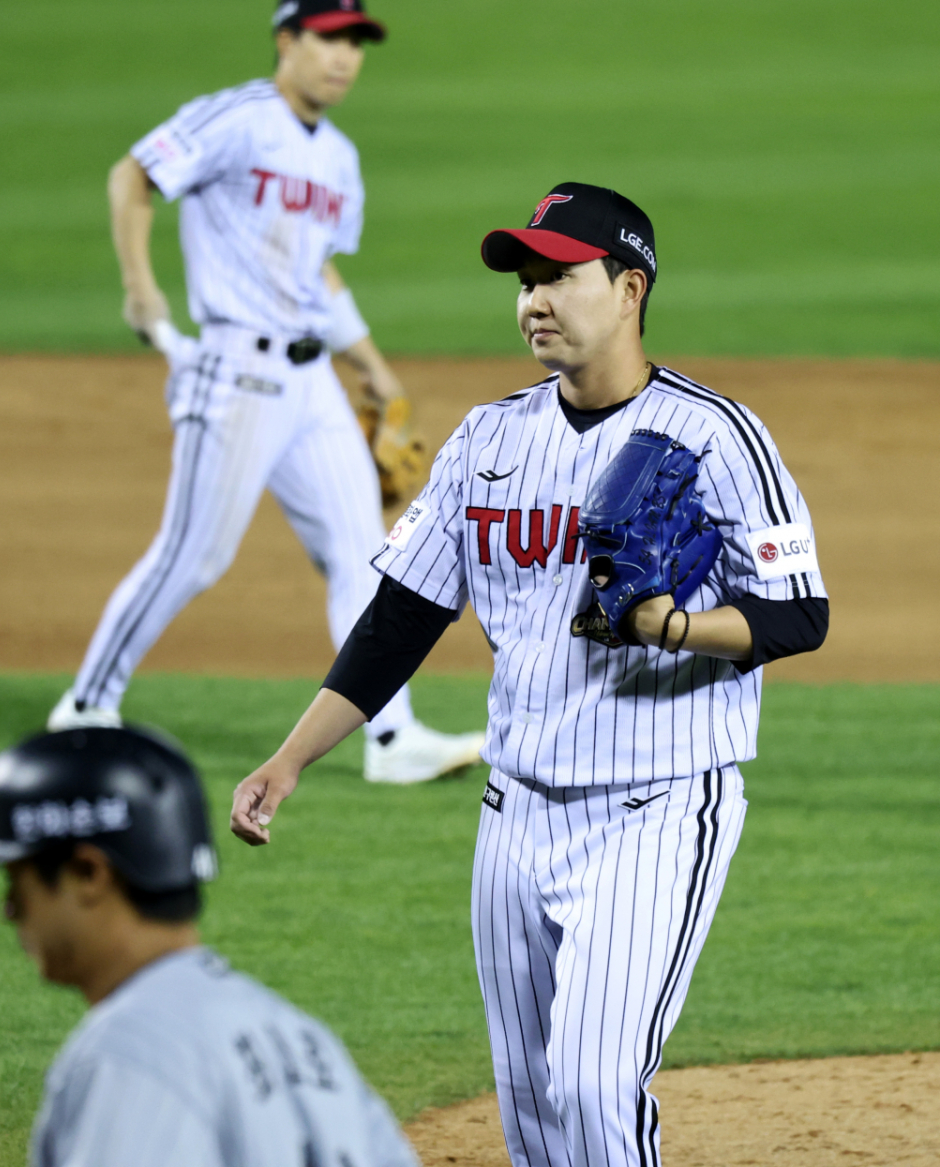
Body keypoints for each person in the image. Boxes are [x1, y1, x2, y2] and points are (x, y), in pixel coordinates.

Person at [230, 183, 829, 1166]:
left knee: (592, 1087)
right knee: (532, 1112)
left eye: (559, 276)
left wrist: (674, 625)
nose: (534, 300)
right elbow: (401, 619)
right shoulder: (488, 438)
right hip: (513, 814)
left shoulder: (719, 436)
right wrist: (290, 760)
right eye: (524, 281)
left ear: (630, 289)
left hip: (656, 808)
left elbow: (800, 612)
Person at [46, 0, 484, 785]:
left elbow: (317, 270)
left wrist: (371, 365)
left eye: (356, 43)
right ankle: (85, 706)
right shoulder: (239, 118)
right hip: (236, 367)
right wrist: (141, 288)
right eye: (329, 40)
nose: (344, 58)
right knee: (194, 553)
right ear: (287, 41)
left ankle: (391, 736)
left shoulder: (339, 156)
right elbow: (133, 174)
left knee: (364, 552)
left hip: (312, 382)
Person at [0, 725, 419, 1167]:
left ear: (88, 874)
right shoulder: (303, 1040)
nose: (9, 910)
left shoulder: (129, 1057)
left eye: (16, 882)